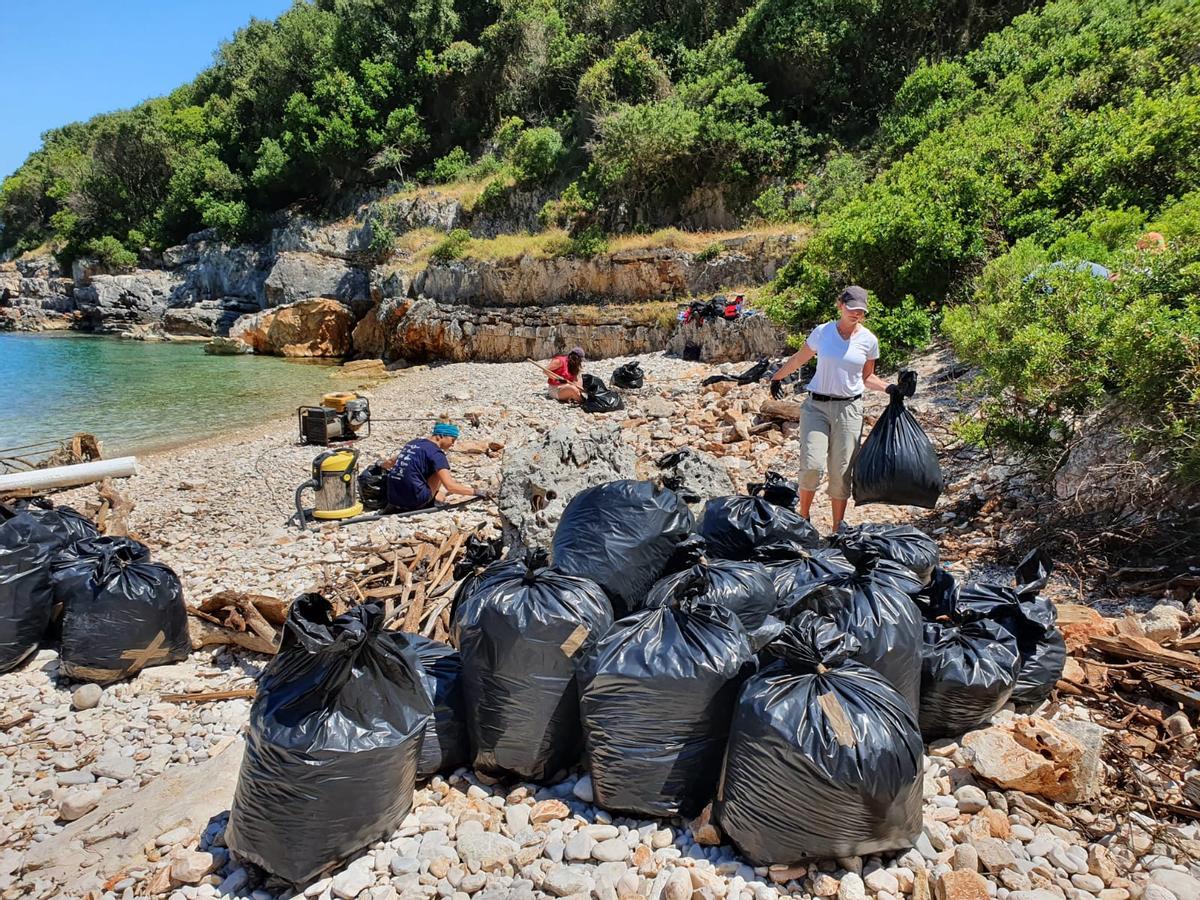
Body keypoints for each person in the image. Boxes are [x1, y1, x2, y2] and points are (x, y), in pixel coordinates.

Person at [767, 285, 897, 530]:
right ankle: (803, 519)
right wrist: (777, 377)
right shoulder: (823, 332)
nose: (856, 314)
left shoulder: (869, 340)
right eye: (851, 308)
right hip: (816, 406)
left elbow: (868, 377)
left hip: (849, 410)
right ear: (840, 305)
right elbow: (799, 358)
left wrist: (891, 388)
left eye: (861, 311)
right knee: (812, 466)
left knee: (841, 471)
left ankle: (838, 528)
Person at [381, 420, 488, 512]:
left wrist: (379, 465)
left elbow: (391, 462)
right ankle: (436, 501)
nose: (453, 444)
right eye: (452, 440)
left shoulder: (413, 443)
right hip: (414, 502)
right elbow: (450, 486)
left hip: (392, 498)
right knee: (439, 473)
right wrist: (477, 492)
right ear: (441, 436)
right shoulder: (436, 454)